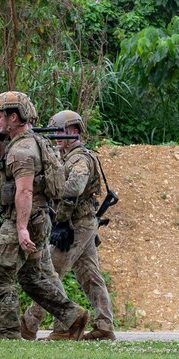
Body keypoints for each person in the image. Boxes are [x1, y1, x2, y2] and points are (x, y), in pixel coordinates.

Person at [0, 91, 89, 340]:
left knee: (2, 273)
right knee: (31, 277)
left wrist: (21, 228)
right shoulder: (22, 143)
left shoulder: (22, 150)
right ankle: (72, 315)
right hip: (37, 217)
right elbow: (10, 176)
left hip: (24, 218)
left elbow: (24, 190)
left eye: (0, 116)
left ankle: (9, 331)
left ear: (14, 117)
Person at [21, 109, 116, 340]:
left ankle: (43, 324)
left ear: (74, 131)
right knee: (90, 276)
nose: (57, 136)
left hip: (76, 225)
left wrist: (61, 220)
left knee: (51, 272)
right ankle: (104, 326)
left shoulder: (79, 158)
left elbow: (74, 188)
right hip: (81, 224)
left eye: (61, 131)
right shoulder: (68, 156)